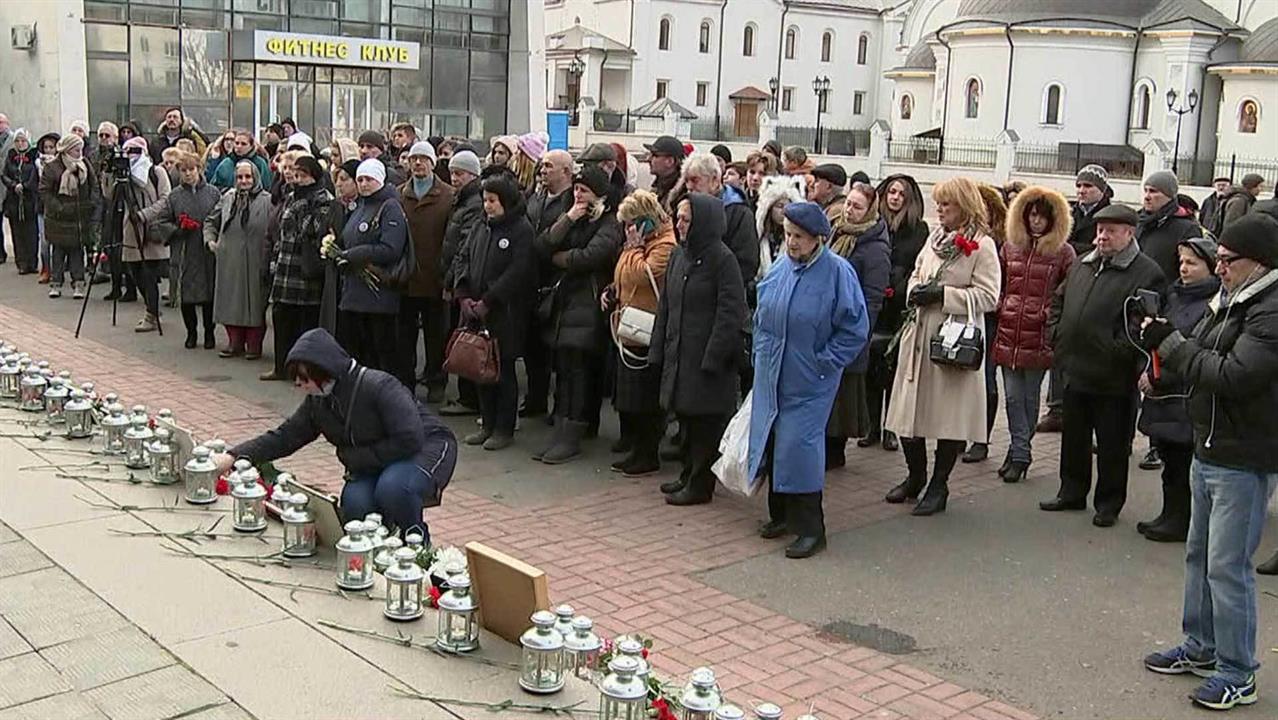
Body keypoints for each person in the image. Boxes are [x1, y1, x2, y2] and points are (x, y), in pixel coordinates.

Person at [1139, 214, 1278, 711]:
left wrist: (1172, 347)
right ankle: (1200, 646)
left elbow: (1236, 375)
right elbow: (1197, 347)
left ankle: (1239, 671)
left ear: (1257, 263)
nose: (1217, 267)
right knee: (1199, 558)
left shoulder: (1269, 310)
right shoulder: (1230, 299)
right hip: (1210, 446)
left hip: (1244, 456)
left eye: (1226, 260)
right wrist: (1166, 350)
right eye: (1217, 258)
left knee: (1229, 568)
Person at [218, 328, 456, 541]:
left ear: (324, 371)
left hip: (425, 446)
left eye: (304, 378)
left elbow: (410, 437)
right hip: (375, 458)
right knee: (355, 504)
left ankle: (415, 543)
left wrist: (356, 458)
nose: (299, 385)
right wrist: (235, 455)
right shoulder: (319, 403)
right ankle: (376, 548)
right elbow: (285, 437)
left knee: (393, 488)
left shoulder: (378, 385)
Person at [750, 200, 869, 557]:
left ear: (818, 238)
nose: (792, 243)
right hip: (773, 372)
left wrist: (826, 361)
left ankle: (812, 529)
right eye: (787, 235)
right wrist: (759, 352)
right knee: (773, 441)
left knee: (799, 447)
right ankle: (781, 515)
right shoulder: (781, 268)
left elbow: (854, 328)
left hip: (810, 378)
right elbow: (762, 313)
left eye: (799, 236)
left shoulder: (837, 272)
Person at [1040, 204, 1166, 525]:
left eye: (1111, 231)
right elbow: (1058, 300)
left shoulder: (1146, 271)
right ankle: (1071, 491)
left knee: (1112, 443)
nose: (1102, 237)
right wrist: (1056, 334)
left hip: (1113, 375)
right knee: (1074, 437)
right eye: (1099, 230)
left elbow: (1144, 322)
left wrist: (1117, 350)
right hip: (1074, 366)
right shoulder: (1084, 263)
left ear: (1129, 233)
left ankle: (1109, 503)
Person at [884, 177, 1001, 516]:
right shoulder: (934, 240)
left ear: (964, 207)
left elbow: (989, 296)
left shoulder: (982, 246)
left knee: (949, 416)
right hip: (919, 333)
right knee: (910, 411)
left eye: (946, 204)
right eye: (939, 203)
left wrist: (944, 296)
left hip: (952, 340)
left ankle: (939, 484)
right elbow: (919, 272)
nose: (940, 209)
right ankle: (915, 476)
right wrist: (915, 290)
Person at [651, 193, 748, 505]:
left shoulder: (723, 259)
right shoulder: (680, 255)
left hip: (706, 358)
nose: (679, 225)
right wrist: (658, 348)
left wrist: (714, 355)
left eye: (686, 220)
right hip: (680, 352)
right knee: (686, 420)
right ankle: (686, 474)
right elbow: (666, 305)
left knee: (705, 424)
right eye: (677, 218)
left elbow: (730, 312)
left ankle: (700, 484)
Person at [533, 166, 622, 464]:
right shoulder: (573, 217)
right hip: (566, 303)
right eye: (576, 189)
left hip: (590, 303)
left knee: (580, 371)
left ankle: (573, 433)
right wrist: (568, 218)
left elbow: (590, 257)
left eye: (584, 190)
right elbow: (543, 245)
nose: (578, 194)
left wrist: (561, 259)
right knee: (565, 370)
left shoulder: (609, 221)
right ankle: (562, 428)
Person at [1135, 237, 1219, 543]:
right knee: (1170, 461)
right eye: (1181, 261)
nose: (1184, 268)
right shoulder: (1174, 296)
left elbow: (1193, 349)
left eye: (1192, 263)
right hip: (1162, 393)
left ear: (1210, 267)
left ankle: (1181, 520)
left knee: (1183, 463)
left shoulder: (1211, 304)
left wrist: (1161, 378)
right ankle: (1169, 514)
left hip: (1182, 394)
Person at [992, 186, 1075, 483]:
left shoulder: (1063, 253)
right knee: (1013, 398)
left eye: (1042, 217)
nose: (1036, 222)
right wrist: (1002, 304)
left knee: (1028, 397)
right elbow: (998, 281)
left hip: (1039, 333)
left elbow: (1068, 291)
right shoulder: (1010, 247)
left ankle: (1019, 451)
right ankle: (1019, 450)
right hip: (1009, 329)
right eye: (1031, 216)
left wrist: (1049, 314)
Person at [451, 173, 536, 450]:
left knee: (503, 369)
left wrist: (489, 299)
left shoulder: (521, 229)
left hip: (504, 311)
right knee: (480, 368)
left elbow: (519, 271)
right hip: (475, 309)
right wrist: (463, 294)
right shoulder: (481, 225)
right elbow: (463, 257)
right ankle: (486, 422)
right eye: (485, 200)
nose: (488, 206)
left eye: (493, 200)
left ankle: (503, 428)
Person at [603, 190, 676, 476]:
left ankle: (648, 453)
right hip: (629, 325)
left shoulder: (665, 245)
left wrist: (632, 250)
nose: (627, 231)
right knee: (632, 396)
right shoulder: (640, 242)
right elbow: (623, 274)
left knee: (647, 398)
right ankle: (636, 449)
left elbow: (643, 274)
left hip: (648, 329)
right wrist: (612, 291)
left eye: (631, 224)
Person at [1038, 165, 1115, 433]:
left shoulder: (1107, 216)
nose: (1082, 191)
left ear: (1101, 190)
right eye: (1079, 186)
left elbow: (1098, 249)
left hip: (1091, 284)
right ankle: (1057, 408)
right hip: (1063, 284)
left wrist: (1070, 250)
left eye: (1088, 187)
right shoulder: (1067, 212)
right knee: (1060, 347)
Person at [824, 181, 890, 469]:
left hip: (850, 325)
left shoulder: (874, 247)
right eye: (848, 203)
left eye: (857, 206)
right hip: (826, 322)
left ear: (870, 211)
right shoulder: (836, 230)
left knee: (845, 394)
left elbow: (873, 298)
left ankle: (836, 450)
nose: (849, 211)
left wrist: (858, 332)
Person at [864, 174, 928, 452]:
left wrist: (899, 288)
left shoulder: (918, 229)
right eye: (891, 192)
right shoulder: (875, 225)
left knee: (893, 368)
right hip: (876, 302)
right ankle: (871, 427)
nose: (895, 198)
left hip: (900, 305)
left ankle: (890, 427)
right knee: (871, 366)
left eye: (901, 194)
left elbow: (919, 266)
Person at [262, 155, 333, 381]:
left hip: (305, 270)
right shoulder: (290, 196)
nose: (298, 179)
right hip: (285, 266)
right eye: (296, 174)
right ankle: (281, 366)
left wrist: (305, 203)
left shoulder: (323, 199)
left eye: (304, 175)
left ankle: (305, 371)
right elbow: (280, 231)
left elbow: (310, 230)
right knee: (281, 319)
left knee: (305, 323)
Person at [396, 141, 455, 397]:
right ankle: (405, 380)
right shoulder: (399, 194)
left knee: (436, 335)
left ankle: (436, 381)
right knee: (404, 335)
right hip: (406, 278)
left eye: (423, 159)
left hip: (435, 276)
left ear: (432, 163)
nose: (418, 163)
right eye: (414, 159)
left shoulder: (448, 195)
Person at [146, 152, 220, 349]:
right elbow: (161, 220)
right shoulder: (174, 196)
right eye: (183, 171)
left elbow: (221, 218)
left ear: (199, 169)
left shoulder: (213, 193)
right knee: (187, 295)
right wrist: (178, 229)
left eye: (191, 169)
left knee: (209, 294)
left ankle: (210, 333)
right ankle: (191, 333)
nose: (188, 174)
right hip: (185, 249)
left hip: (206, 250)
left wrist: (213, 236)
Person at [523, 148, 575, 418]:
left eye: (548, 166)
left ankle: (559, 406)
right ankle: (535, 398)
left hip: (557, 281)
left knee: (555, 350)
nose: (542, 171)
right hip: (533, 277)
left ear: (566, 171)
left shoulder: (571, 202)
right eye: (542, 166)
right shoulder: (537, 196)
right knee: (533, 346)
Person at [207, 160, 271, 359]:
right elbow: (211, 220)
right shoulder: (228, 197)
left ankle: (253, 345)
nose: (244, 181)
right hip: (229, 257)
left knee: (254, 301)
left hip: (255, 258)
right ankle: (234, 343)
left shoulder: (267, 200)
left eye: (248, 177)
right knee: (230, 300)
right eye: (240, 177)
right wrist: (210, 241)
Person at [438, 149, 485, 416]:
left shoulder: (474, 202)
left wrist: (451, 281)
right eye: (453, 173)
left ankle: (470, 398)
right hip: (457, 278)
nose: (454, 178)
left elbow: (463, 247)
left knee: (467, 337)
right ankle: (468, 396)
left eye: (460, 173)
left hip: (463, 282)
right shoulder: (461, 200)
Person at [681, 153, 760, 294]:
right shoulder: (686, 209)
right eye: (686, 181)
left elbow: (746, 263)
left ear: (715, 180)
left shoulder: (739, 213)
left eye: (695, 180)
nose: (689, 187)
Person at [115, 137, 172, 329]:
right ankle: (152, 308)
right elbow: (110, 195)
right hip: (131, 229)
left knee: (149, 273)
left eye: (135, 150)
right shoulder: (123, 174)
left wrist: (144, 214)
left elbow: (165, 198)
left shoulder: (156, 171)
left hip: (151, 227)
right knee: (135, 272)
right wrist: (110, 175)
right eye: (127, 150)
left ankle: (152, 315)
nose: (131, 155)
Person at [39, 134, 101, 300]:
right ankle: (56, 283)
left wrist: (91, 204)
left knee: (77, 252)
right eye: (75, 149)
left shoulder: (85, 164)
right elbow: (44, 191)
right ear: (67, 149)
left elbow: (94, 185)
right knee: (58, 252)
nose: (79, 152)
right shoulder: (52, 167)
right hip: (58, 218)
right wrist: (59, 208)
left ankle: (78, 284)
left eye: (80, 149)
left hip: (80, 217)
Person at [2, 128, 40, 275]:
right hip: (14, 200)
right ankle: (22, 263)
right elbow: (4, 174)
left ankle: (32, 262)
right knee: (17, 233)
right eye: (17, 141)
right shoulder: (11, 155)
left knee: (31, 233)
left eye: (23, 140)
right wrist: (13, 185)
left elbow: (35, 174)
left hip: (29, 199)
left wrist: (25, 186)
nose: (20, 143)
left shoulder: (33, 155)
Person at [755, 175, 805, 279]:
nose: (784, 211)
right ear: (769, 209)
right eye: (779, 206)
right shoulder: (759, 238)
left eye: (788, 206)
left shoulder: (797, 240)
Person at [643, 135, 684, 208]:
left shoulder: (681, 194)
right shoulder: (659, 186)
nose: (648, 159)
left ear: (670, 161)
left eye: (655, 155)